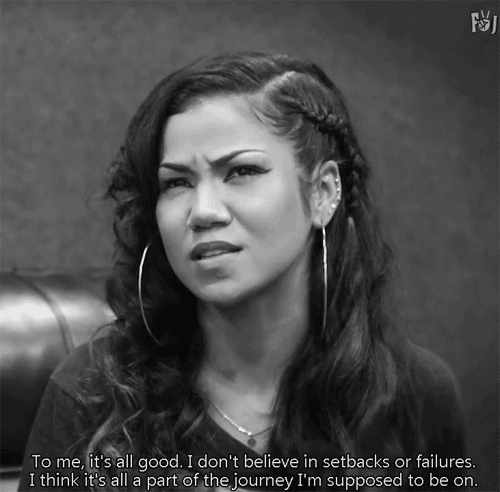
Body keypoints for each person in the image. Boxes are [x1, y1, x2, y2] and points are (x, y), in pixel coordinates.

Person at [19, 51, 468, 492]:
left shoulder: (416, 394)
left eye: (241, 171)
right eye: (177, 182)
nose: (203, 211)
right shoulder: (93, 393)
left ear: (322, 193)